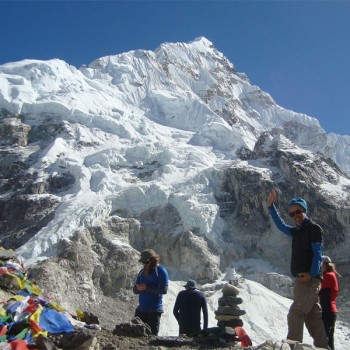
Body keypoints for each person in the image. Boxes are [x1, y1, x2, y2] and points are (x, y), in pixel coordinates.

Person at [267, 189, 328, 348]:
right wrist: (271, 207)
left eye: (298, 212)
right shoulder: (297, 231)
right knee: (313, 317)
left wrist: (311, 274)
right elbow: (281, 226)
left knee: (295, 314)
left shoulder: (314, 229)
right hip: (304, 280)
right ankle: (323, 347)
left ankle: (293, 347)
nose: (295, 216)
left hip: (308, 280)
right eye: (292, 214)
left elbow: (317, 253)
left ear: (304, 210)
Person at [133, 248, 169, 335]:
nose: (144, 264)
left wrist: (146, 288)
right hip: (141, 309)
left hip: (154, 311)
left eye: (146, 262)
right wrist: (138, 288)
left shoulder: (160, 271)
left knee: (151, 336)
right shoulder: (142, 272)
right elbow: (135, 289)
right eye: (143, 262)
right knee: (135, 335)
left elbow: (164, 290)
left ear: (153, 260)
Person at [319, 255, 340, 350]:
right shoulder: (331, 275)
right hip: (329, 310)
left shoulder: (328, 276)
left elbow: (318, 288)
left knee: (326, 339)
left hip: (327, 310)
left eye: (321, 264)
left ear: (325, 264)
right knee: (328, 338)